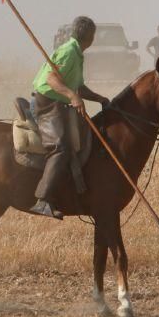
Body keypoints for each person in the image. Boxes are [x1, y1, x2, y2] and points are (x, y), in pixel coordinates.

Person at [29, 16, 110, 219]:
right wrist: (72, 96)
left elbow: (78, 86)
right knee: (61, 148)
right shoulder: (69, 52)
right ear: (90, 37)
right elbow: (52, 79)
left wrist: (99, 98)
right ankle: (43, 200)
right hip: (47, 104)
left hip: (58, 103)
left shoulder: (76, 52)